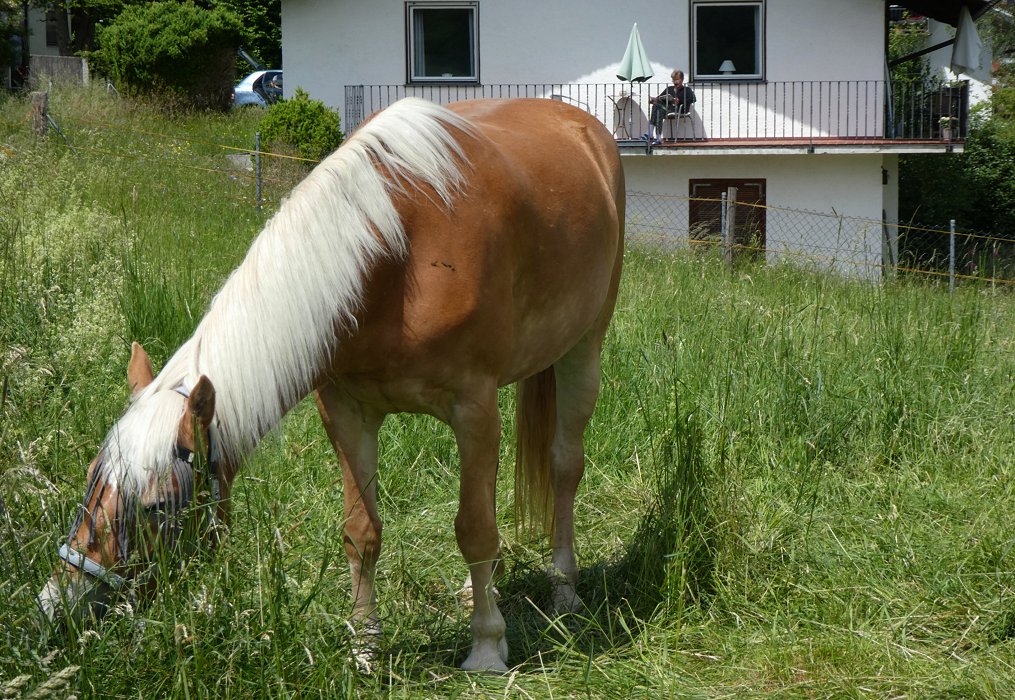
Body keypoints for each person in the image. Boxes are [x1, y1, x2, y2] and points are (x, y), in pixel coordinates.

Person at [644, 70, 696, 144]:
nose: (675, 82)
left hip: (679, 109)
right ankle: (657, 137)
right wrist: (654, 100)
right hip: (667, 109)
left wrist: (680, 100)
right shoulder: (669, 89)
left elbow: (693, 99)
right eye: (674, 80)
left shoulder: (687, 90)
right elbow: (660, 98)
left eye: (677, 79)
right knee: (657, 106)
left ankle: (652, 133)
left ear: (682, 80)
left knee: (659, 109)